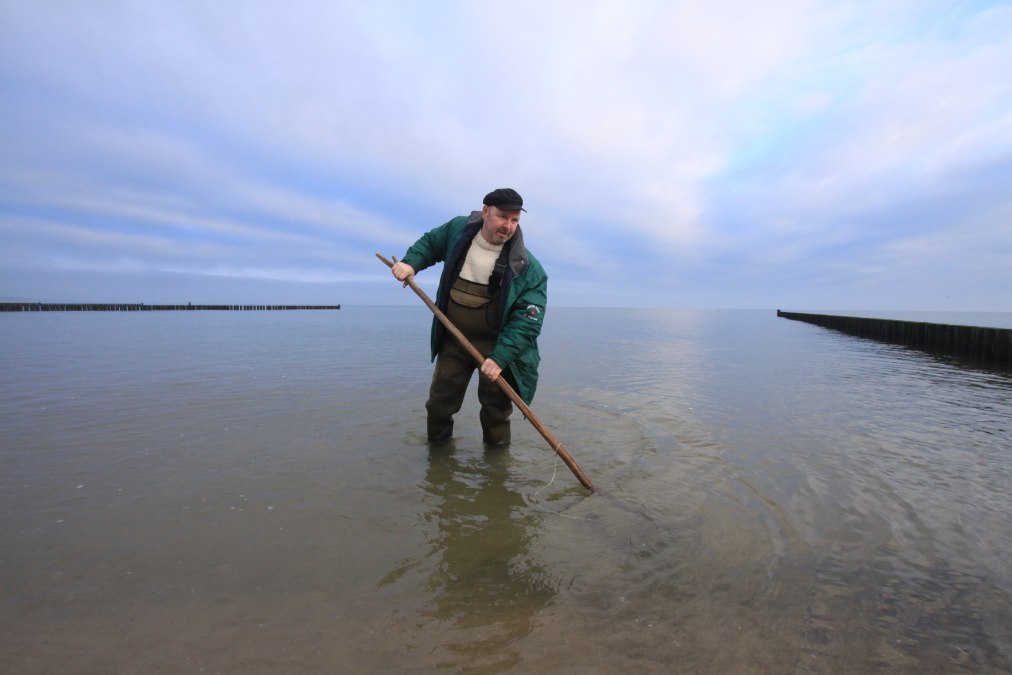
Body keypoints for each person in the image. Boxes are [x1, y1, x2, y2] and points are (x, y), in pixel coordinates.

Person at [391, 188, 547, 446]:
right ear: (485, 212)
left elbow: (528, 322)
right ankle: (438, 464)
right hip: (454, 339)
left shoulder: (527, 267)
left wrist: (500, 357)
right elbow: (432, 243)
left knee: (496, 412)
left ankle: (497, 472)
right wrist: (411, 263)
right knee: (439, 405)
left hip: (496, 348)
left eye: (515, 220)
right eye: (502, 217)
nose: (508, 226)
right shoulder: (458, 230)